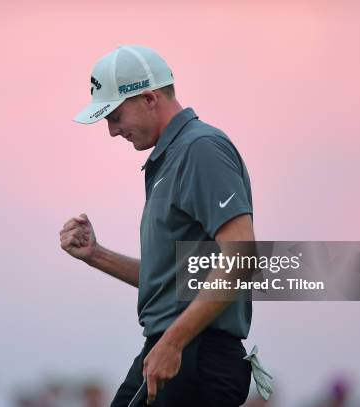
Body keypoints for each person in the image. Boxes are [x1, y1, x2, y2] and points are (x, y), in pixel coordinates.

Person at [60, 45, 255, 406]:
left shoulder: (200, 148)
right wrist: (96, 255)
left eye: (115, 117)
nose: (112, 132)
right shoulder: (171, 157)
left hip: (193, 356)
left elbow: (241, 256)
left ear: (149, 98)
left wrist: (175, 341)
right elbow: (174, 281)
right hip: (176, 350)